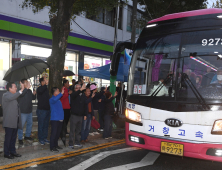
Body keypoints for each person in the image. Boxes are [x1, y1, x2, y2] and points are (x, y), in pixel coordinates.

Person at [2, 82, 25, 159]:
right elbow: (12, 97)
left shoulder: (14, 97)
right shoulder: (6, 95)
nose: (16, 88)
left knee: (13, 138)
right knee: (8, 138)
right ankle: (6, 153)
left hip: (15, 121)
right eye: (15, 87)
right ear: (9, 88)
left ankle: (12, 151)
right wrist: (21, 90)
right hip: (9, 122)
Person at [17, 79, 36, 145]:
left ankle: (27, 136)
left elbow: (32, 98)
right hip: (23, 112)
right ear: (23, 84)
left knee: (30, 124)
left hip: (29, 111)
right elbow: (21, 95)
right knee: (21, 126)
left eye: (28, 82)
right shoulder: (20, 91)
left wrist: (34, 94)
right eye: (26, 82)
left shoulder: (29, 91)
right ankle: (20, 138)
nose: (28, 83)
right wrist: (26, 88)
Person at [69, 83, 86, 149]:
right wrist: (80, 89)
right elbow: (73, 95)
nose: (79, 89)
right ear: (75, 89)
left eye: (80, 88)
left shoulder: (82, 95)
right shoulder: (73, 95)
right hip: (74, 116)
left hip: (80, 116)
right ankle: (70, 143)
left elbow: (85, 105)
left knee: (78, 131)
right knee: (72, 131)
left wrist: (85, 114)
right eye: (77, 88)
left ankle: (77, 142)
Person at [49, 87, 64, 152]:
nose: (59, 92)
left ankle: (56, 145)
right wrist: (61, 94)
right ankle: (52, 147)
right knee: (54, 133)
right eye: (58, 91)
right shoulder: (52, 99)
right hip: (54, 119)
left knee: (58, 134)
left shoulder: (58, 99)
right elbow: (55, 100)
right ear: (55, 92)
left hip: (60, 119)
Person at [37, 77, 50, 145]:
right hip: (41, 110)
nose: (46, 81)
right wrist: (45, 85)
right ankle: (41, 138)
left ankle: (45, 138)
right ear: (42, 82)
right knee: (41, 125)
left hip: (47, 110)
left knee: (46, 125)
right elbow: (41, 90)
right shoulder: (39, 89)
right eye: (45, 81)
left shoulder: (46, 89)